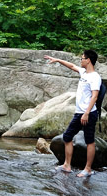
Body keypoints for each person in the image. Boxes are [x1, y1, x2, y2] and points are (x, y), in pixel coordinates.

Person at [44, 49, 102, 177]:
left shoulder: (95, 77)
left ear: (88, 60)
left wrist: (86, 113)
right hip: (79, 113)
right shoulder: (83, 72)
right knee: (67, 136)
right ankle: (67, 165)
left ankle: (87, 169)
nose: (80, 61)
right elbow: (71, 66)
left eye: (82, 58)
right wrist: (58, 60)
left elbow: (95, 96)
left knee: (89, 141)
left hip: (89, 113)